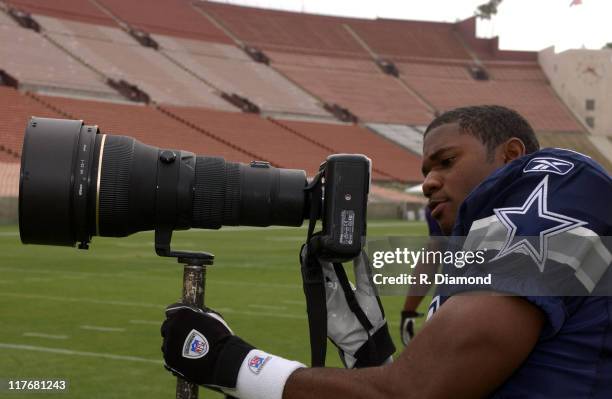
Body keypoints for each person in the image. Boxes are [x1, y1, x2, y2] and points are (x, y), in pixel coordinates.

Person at [161, 105, 612, 399]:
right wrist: (369, 350)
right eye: (426, 168)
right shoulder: (477, 236)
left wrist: (234, 363)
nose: (429, 181)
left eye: (446, 161)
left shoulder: (549, 187)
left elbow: (417, 393)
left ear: (512, 155)